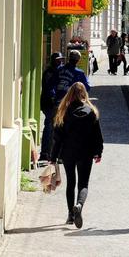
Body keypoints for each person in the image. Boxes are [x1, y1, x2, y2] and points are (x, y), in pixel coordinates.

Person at [51, 82, 104, 229]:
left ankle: (70, 215)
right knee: (83, 184)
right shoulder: (92, 111)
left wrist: (53, 157)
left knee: (71, 183)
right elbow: (98, 136)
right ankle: (79, 205)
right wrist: (98, 152)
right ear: (84, 94)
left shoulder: (64, 111)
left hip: (68, 153)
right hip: (86, 153)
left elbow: (58, 138)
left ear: (70, 94)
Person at [38, 52, 64, 165]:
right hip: (49, 104)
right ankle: (45, 153)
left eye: (61, 59)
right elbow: (50, 89)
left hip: (55, 104)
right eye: (58, 60)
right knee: (49, 127)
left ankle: (54, 153)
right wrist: (54, 99)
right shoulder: (49, 72)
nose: (60, 61)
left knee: (56, 128)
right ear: (54, 60)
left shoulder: (59, 71)